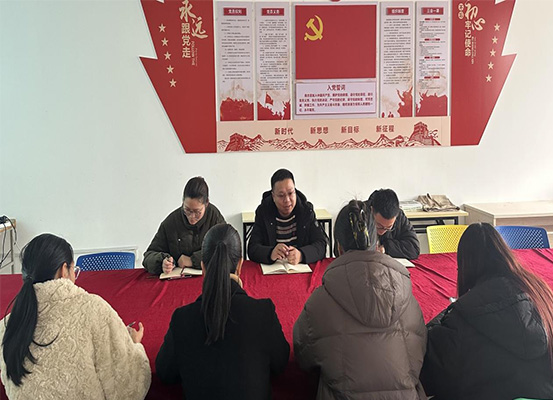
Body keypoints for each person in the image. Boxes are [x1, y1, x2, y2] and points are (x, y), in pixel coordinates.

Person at [294, 200, 427, 399]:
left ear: (338, 247)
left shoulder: (320, 301)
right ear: (376, 242)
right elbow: (420, 349)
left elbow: (303, 356)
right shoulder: (406, 296)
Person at [0, 234, 151, 399]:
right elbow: (128, 390)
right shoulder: (92, 308)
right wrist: (134, 346)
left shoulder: (7, 325)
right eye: (74, 269)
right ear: (63, 270)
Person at [156, 223, 289, 399]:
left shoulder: (182, 319)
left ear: (203, 268)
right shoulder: (263, 312)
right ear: (240, 265)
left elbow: (165, 373)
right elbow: (280, 364)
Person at [420, 223, 553, 399]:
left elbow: (429, 370)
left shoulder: (464, 317)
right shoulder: (541, 293)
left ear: (465, 266)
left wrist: (450, 311)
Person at [143, 177, 225, 274]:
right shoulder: (171, 222)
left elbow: (227, 249)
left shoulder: (214, 218)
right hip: (177, 279)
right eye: (187, 210)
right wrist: (162, 262)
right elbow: (148, 256)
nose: (192, 217)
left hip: (209, 278)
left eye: (197, 212)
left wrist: (193, 260)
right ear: (182, 202)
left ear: (206, 203)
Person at [247, 169, 327, 265]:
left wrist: (301, 255)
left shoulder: (306, 210)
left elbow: (321, 245)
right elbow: (252, 249)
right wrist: (270, 253)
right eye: (281, 195)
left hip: (299, 268)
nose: (287, 200)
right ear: (273, 196)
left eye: (290, 193)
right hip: (273, 270)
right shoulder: (264, 211)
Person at [365, 188, 420, 259]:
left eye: (388, 228)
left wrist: (386, 247)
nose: (382, 232)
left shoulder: (399, 216)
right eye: (379, 226)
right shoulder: (359, 215)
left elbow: (413, 249)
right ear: (372, 211)